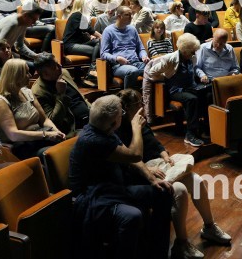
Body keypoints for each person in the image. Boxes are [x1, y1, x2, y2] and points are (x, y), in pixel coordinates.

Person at [117, 89, 231, 258]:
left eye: (142, 102)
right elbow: (130, 159)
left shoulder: (140, 122)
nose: (142, 106)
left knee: (197, 180)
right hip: (138, 177)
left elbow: (154, 142)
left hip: (157, 168)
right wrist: (148, 170)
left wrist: (164, 155)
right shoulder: (119, 128)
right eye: (138, 104)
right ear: (126, 108)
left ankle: (209, 227)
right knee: (179, 190)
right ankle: (181, 243)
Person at [69, 94, 173, 259]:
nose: (123, 116)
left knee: (163, 192)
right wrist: (136, 127)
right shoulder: (94, 140)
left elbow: (128, 157)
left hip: (110, 188)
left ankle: (155, 252)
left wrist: (152, 179)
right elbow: (135, 155)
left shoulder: (103, 130)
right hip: (93, 197)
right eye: (121, 114)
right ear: (113, 122)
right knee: (135, 213)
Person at [0, 58, 65, 159]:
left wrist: (57, 132)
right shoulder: (1, 101)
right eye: (26, 73)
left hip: (39, 138)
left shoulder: (27, 92)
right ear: (16, 76)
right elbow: (13, 135)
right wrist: (46, 135)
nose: (30, 75)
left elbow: (44, 120)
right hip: (21, 146)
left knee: (66, 145)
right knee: (57, 153)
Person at [143, 34, 207, 145]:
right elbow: (152, 72)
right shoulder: (170, 59)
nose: (194, 53)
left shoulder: (191, 57)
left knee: (208, 93)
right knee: (192, 99)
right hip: (176, 91)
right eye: (192, 51)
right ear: (185, 50)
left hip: (190, 88)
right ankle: (190, 135)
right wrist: (164, 78)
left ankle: (204, 128)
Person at [31, 52, 90, 137]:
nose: (60, 66)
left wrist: (92, 108)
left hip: (90, 117)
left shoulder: (64, 73)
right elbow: (53, 121)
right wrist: (61, 94)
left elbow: (80, 96)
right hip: (74, 128)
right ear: (45, 74)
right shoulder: (38, 92)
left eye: (58, 63)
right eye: (55, 66)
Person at [100, 6, 150, 89]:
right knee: (133, 71)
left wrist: (144, 56)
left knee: (155, 68)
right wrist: (117, 58)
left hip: (136, 62)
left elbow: (141, 49)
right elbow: (103, 54)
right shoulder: (108, 31)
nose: (131, 17)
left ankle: (148, 96)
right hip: (119, 65)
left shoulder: (132, 29)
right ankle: (127, 96)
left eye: (131, 14)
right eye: (127, 15)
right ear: (119, 16)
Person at [62, 0, 101, 65]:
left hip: (79, 43)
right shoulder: (76, 15)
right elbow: (89, 29)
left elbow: (81, 32)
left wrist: (90, 37)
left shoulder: (80, 16)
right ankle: (93, 66)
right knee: (97, 51)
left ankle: (94, 66)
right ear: (82, 6)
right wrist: (101, 36)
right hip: (70, 45)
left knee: (98, 42)